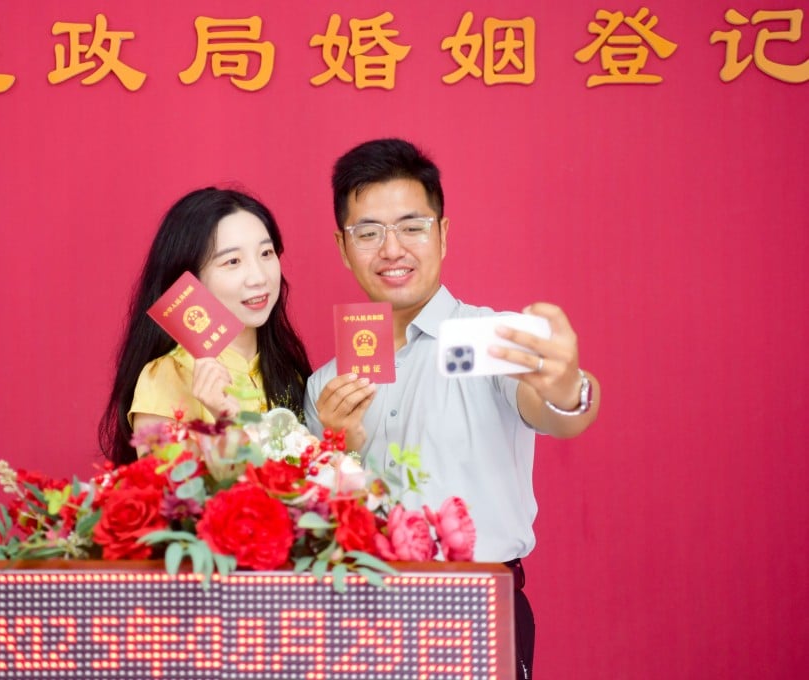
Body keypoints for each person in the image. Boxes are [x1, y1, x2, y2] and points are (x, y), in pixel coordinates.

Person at [303, 138, 601, 680]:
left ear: (443, 233)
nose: (391, 250)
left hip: (477, 608)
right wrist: (336, 450)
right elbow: (312, 525)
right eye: (368, 233)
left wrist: (569, 387)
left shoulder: (492, 339)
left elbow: (555, 409)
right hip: (357, 622)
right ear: (344, 248)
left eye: (412, 227)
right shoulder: (327, 384)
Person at [99, 187, 312, 467]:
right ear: (190, 280)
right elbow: (171, 502)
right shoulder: (167, 376)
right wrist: (223, 422)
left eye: (266, 252)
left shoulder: (286, 370)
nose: (259, 277)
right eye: (232, 261)